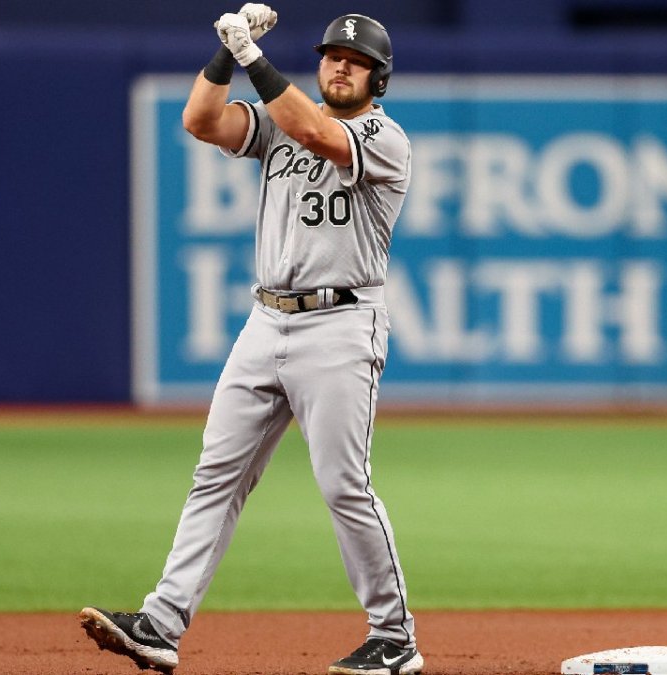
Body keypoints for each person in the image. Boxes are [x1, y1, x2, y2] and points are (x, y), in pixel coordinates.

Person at [80, 5, 420, 674]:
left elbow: (317, 132)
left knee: (344, 484)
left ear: (379, 79)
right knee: (217, 473)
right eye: (331, 55)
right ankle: (161, 621)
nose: (341, 65)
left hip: (341, 323)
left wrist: (253, 59)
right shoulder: (278, 121)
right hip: (266, 320)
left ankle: (394, 634)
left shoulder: (385, 137)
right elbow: (200, 120)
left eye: (356, 61)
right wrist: (224, 55)